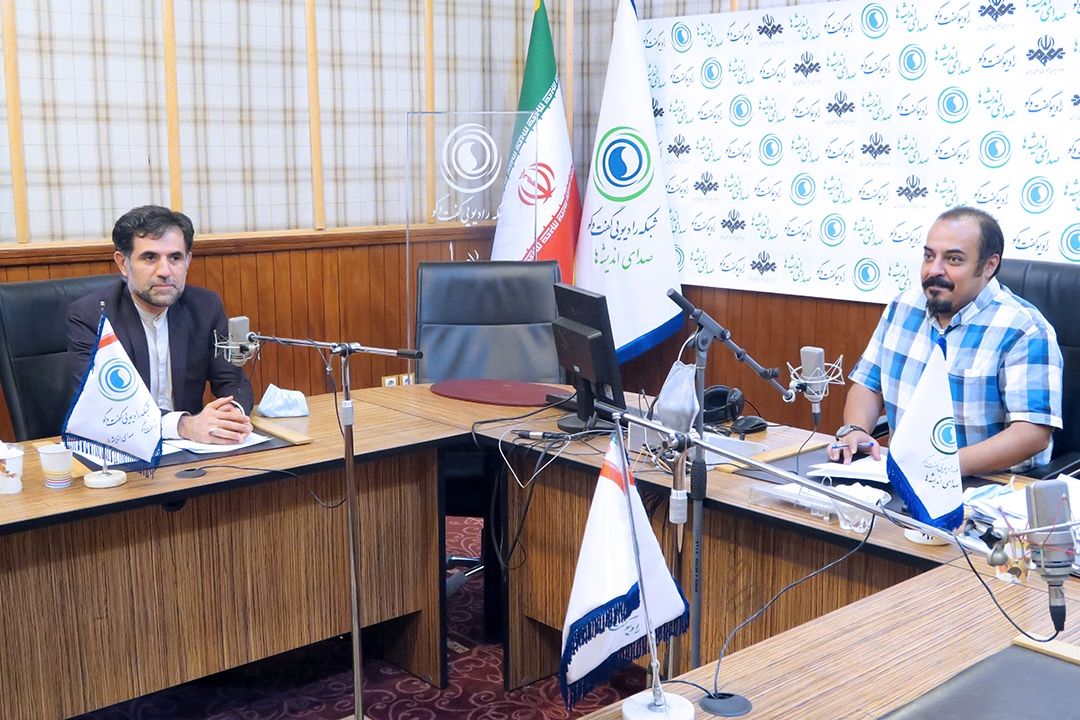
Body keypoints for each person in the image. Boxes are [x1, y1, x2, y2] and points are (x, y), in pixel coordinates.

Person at [829, 206, 1062, 475]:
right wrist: (856, 429)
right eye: (929, 256)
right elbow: (868, 385)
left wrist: (939, 468)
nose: (934, 270)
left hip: (988, 486)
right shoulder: (903, 307)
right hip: (903, 478)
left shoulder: (1025, 330)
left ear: (989, 265)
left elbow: (1032, 433)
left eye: (953, 260)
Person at [68, 205, 254, 444]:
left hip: (191, 449)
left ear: (188, 261)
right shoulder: (93, 316)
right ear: (123, 264)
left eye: (175, 258)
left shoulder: (205, 307)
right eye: (150, 258)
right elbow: (101, 404)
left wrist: (232, 414)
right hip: (123, 446)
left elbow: (232, 379)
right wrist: (184, 425)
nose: (165, 271)